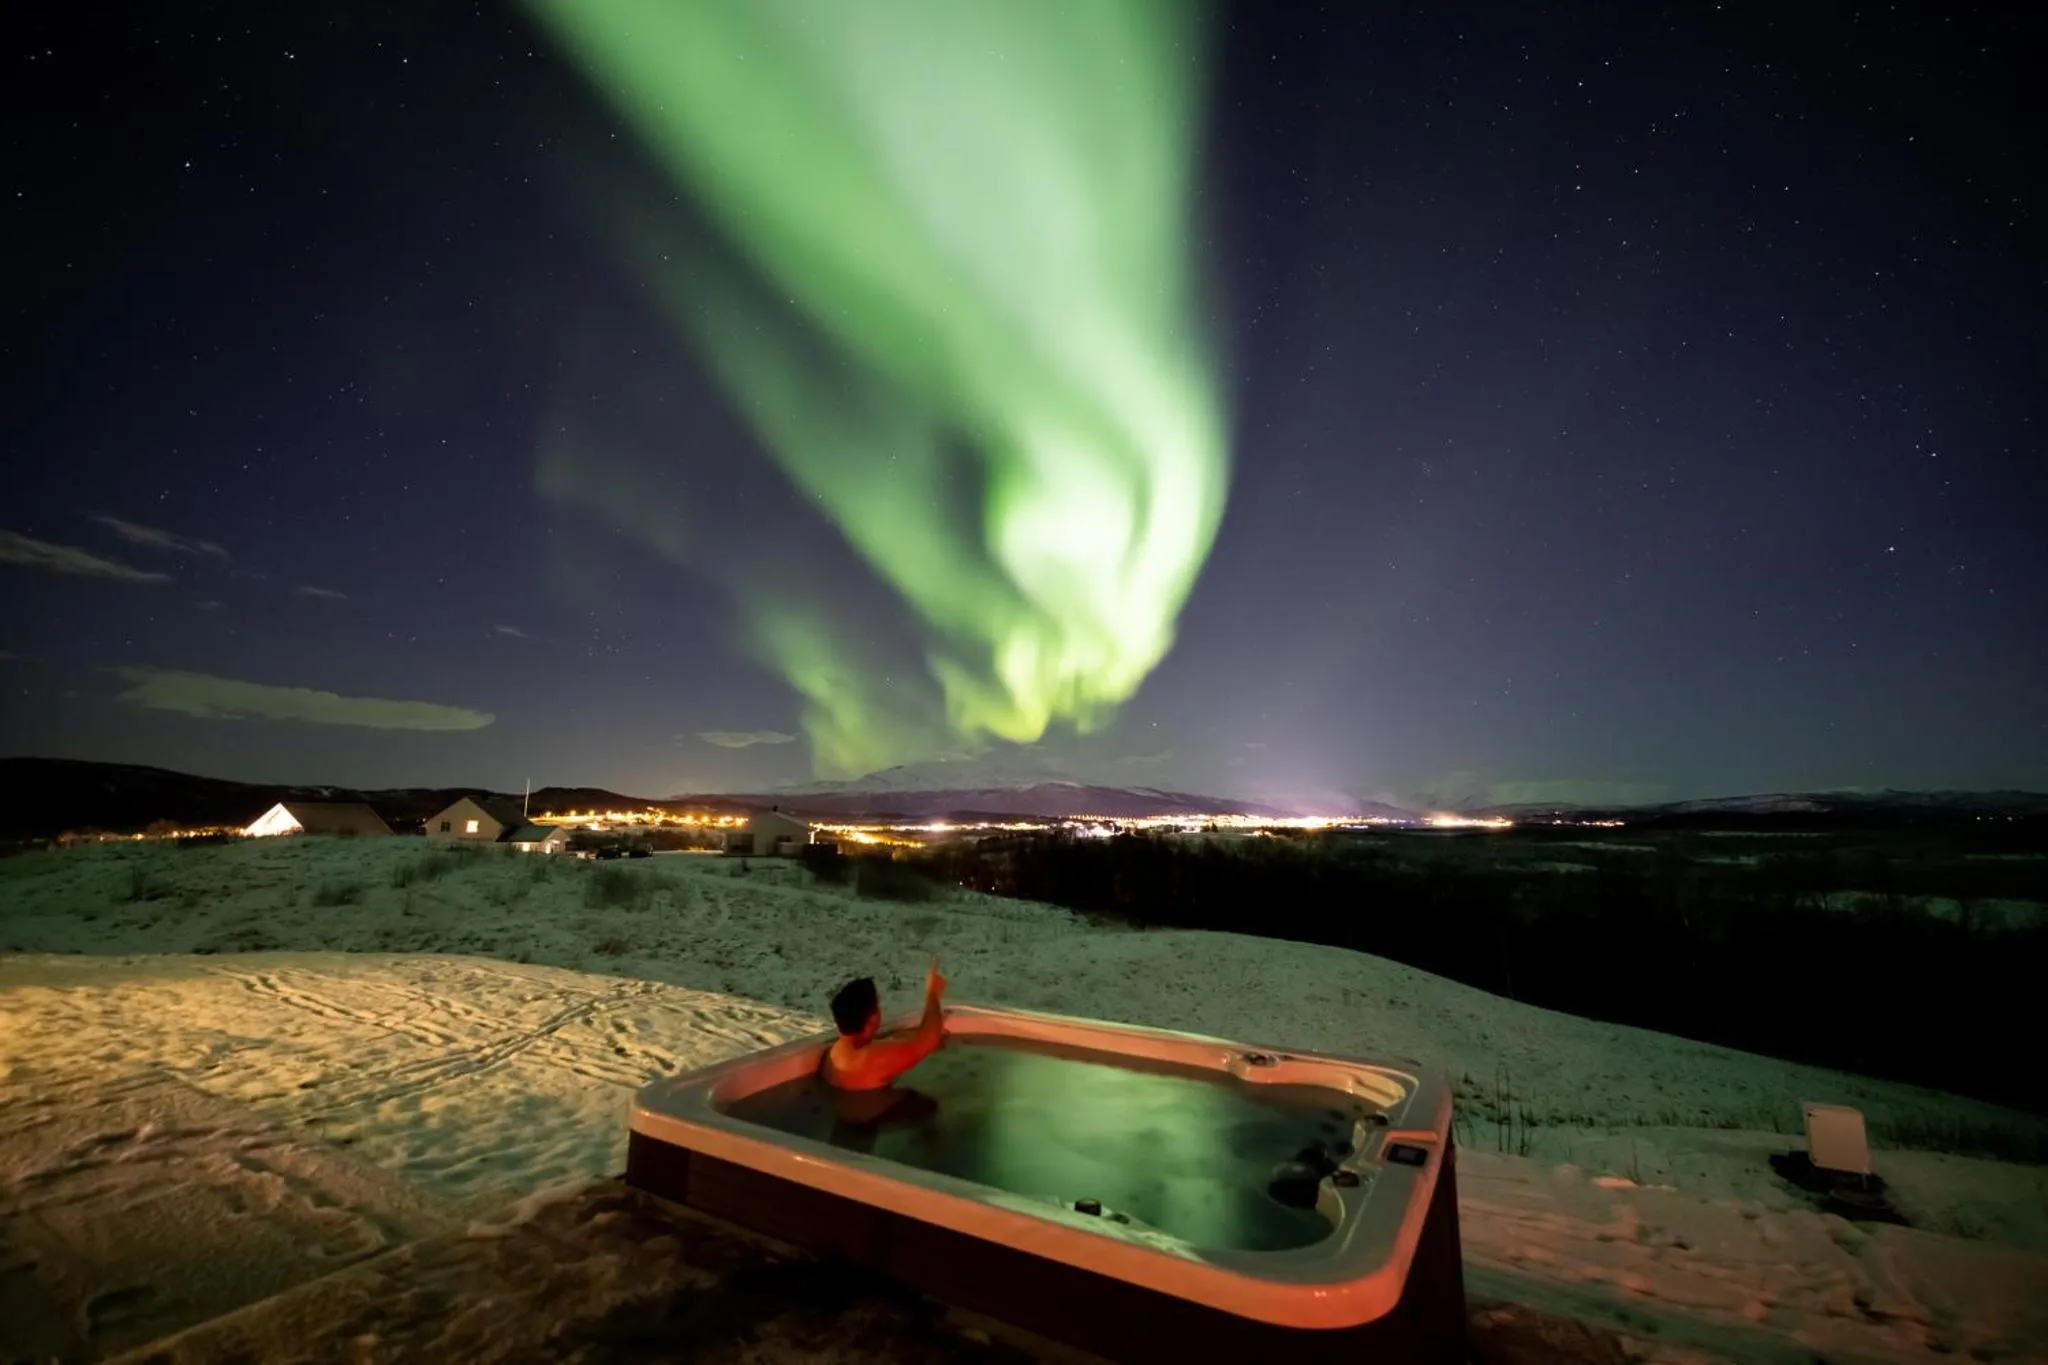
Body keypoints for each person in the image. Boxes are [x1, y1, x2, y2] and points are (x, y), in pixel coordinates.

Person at [822, 955, 948, 1092]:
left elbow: (887, 1045)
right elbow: (927, 1042)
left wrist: (909, 1036)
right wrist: (933, 993)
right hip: (881, 1105)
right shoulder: (869, 1059)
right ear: (872, 1019)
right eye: (878, 1005)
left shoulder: (834, 1054)